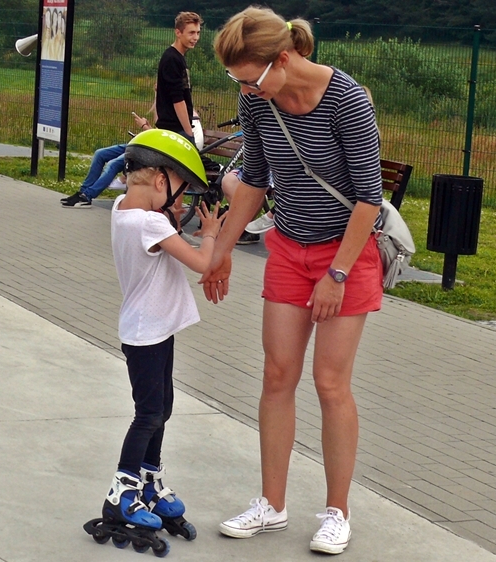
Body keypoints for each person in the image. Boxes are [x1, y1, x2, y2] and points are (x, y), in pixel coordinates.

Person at [204, 8, 384, 555]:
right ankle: (272, 504)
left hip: (345, 255)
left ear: (283, 59)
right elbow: (255, 179)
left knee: (330, 383)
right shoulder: (256, 99)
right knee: (277, 374)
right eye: (237, 81)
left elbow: (368, 198)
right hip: (288, 247)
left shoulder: (346, 99)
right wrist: (221, 250)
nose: (245, 91)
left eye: (251, 80)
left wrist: (336, 274)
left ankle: (337, 513)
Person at [83, 128, 225, 549]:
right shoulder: (150, 223)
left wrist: (172, 216)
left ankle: (149, 481)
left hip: (151, 329)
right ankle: (121, 493)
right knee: (148, 414)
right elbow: (201, 261)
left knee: (161, 409)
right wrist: (210, 229)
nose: (179, 196)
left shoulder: (123, 209)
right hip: (148, 333)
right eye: (178, 185)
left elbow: (158, 238)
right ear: (161, 179)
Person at [61, 111, 153, 208]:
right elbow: (157, 132)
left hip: (147, 150)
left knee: (113, 164)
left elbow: (161, 136)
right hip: (139, 143)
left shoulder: (163, 109)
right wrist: (148, 128)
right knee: (99, 154)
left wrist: (144, 126)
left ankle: (87, 196)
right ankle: (82, 192)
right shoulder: (159, 108)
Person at [156, 12, 202, 141]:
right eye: (191, 33)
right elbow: (178, 99)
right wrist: (189, 134)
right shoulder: (172, 59)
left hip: (176, 128)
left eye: (198, 33)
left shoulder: (178, 57)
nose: (195, 37)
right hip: (174, 129)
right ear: (178, 32)